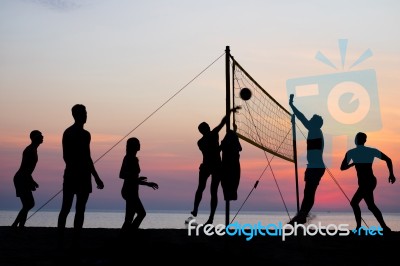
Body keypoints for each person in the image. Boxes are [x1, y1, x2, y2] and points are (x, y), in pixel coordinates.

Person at [57, 104, 104, 248]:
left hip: (84, 176)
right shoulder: (68, 133)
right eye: (83, 113)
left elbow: (88, 157)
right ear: (75, 115)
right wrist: (76, 168)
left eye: (86, 113)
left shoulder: (86, 134)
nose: (85, 115)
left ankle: (75, 239)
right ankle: (60, 238)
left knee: (80, 209)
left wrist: (96, 176)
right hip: (72, 175)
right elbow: (66, 156)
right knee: (66, 207)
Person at [190, 106, 241, 225]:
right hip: (210, 166)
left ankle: (209, 217)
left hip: (214, 166)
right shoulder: (203, 140)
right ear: (203, 130)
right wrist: (222, 147)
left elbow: (223, 122)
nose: (207, 128)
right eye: (205, 128)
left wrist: (230, 112)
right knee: (204, 189)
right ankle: (197, 210)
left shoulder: (210, 136)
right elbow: (211, 152)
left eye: (207, 127)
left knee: (210, 190)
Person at [340, 132, 396, 233]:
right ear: (364, 140)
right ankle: (384, 227)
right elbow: (388, 159)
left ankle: (359, 228)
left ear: (356, 140)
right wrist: (391, 174)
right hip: (369, 181)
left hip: (368, 182)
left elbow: (342, 167)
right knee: (370, 205)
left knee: (355, 203)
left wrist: (352, 164)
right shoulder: (370, 151)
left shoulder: (351, 152)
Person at [288, 94, 325, 225]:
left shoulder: (314, 129)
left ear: (315, 123)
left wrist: (292, 105)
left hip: (316, 167)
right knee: (308, 192)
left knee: (309, 192)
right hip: (313, 167)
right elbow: (302, 119)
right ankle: (302, 217)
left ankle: (300, 217)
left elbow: (301, 117)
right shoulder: (314, 130)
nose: (309, 120)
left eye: (311, 120)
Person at [120, 137, 159, 234]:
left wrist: (140, 180)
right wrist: (144, 182)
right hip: (129, 191)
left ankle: (126, 235)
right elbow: (122, 175)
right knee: (141, 213)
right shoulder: (129, 158)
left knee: (129, 217)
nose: (139, 145)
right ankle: (130, 234)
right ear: (133, 146)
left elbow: (130, 177)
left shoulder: (131, 158)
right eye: (137, 143)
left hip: (132, 191)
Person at [11, 130, 44, 229]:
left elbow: (28, 170)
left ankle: (20, 225)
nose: (42, 137)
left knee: (28, 204)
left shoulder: (33, 149)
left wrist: (32, 181)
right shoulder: (30, 150)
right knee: (29, 204)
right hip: (21, 178)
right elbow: (25, 168)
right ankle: (16, 225)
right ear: (34, 138)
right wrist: (30, 180)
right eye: (40, 136)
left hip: (24, 177)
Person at [220, 124, 242, 201]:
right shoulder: (230, 139)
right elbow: (239, 148)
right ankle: (229, 195)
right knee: (229, 182)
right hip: (230, 164)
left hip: (230, 163)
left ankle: (229, 195)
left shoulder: (231, 138)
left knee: (229, 182)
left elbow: (240, 148)